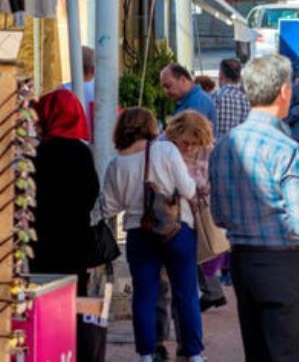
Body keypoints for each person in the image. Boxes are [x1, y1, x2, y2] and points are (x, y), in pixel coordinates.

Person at [209, 54, 299, 362]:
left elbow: (218, 216)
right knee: (289, 353)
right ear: (284, 91)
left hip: (244, 263)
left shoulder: (223, 145)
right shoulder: (286, 149)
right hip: (283, 263)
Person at [103, 108, 203, 362]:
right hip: (176, 230)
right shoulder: (165, 150)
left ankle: (146, 354)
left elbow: (109, 207)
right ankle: (194, 353)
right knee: (186, 293)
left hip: (139, 233)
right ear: (149, 126)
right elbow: (188, 190)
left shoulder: (116, 163)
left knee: (144, 294)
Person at [30, 89, 99, 295]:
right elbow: (91, 192)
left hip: (42, 236)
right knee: (73, 296)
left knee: (44, 295)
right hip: (75, 236)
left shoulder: (37, 153)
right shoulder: (81, 152)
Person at [165, 111, 227, 313]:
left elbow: (215, 177)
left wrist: (207, 184)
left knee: (200, 256)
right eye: (185, 143)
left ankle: (208, 293)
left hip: (200, 213)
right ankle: (210, 292)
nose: (190, 147)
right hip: (178, 215)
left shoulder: (209, 150)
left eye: (194, 143)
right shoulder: (168, 148)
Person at [161, 63, 215, 127]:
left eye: (168, 86)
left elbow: (189, 134)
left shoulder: (198, 102)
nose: (166, 91)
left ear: (183, 80)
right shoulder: (191, 100)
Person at [212, 57, 250, 142]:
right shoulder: (247, 100)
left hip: (218, 149)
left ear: (221, 75)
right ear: (239, 76)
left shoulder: (214, 97)